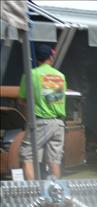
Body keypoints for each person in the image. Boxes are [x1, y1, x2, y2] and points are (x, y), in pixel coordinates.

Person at [17, 44, 66, 180]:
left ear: (37, 58)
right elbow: (53, 99)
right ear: (51, 57)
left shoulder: (31, 74)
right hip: (58, 124)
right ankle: (55, 191)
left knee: (27, 155)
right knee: (54, 160)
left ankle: (33, 191)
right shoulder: (60, 76)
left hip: (40, 122)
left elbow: (22, 100)